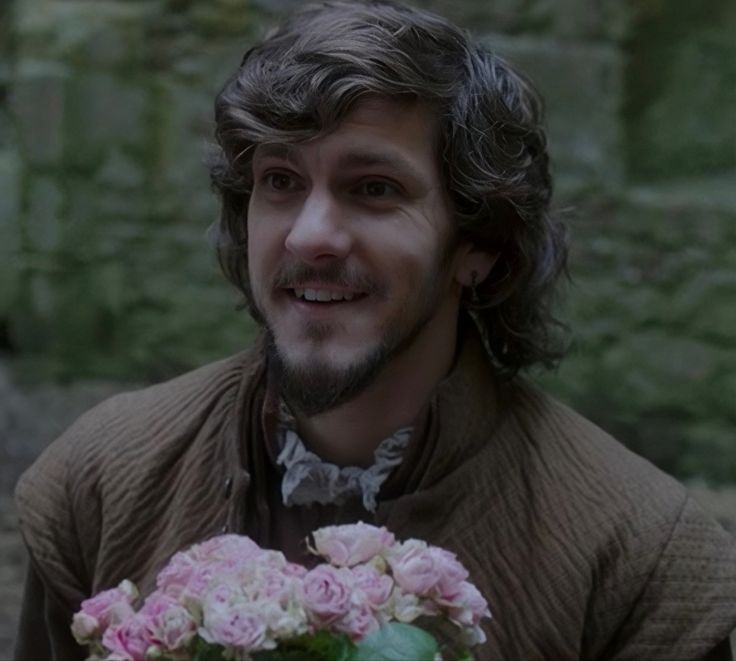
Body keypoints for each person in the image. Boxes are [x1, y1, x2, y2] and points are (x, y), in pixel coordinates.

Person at [14, 1, 736, 659]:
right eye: (281, 181)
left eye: (374, 188)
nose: (310, 236)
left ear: (478, 244)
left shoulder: (639, 558)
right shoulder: (101, 484)